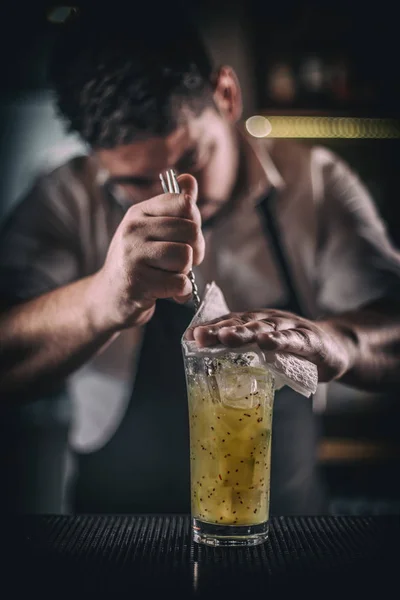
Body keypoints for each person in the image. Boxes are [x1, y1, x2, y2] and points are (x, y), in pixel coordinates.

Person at [1, 5, 400, 516]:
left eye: (190, 162)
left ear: (226, 95)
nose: (177, 203)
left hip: (287, 539)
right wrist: (101, 301)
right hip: (113, 544)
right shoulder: (62, 199)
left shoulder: (316, 184)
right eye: (137, 185)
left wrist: (338, 342)